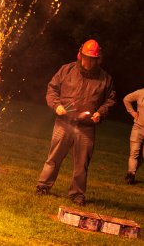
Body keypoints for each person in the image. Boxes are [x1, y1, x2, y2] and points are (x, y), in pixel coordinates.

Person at [36, 39, 116, 206]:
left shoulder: (105, 79)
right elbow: (52, 89)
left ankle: (77, 194)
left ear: (98, 59)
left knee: (81, 165)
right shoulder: (67, 70)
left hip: (86, 128)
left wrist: (100, 113)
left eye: (93, 58)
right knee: (54, 157)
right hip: (63, 123)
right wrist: (56, 105)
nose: (88, 61)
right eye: (86, 57)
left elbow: (110, 100)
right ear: (80, 55)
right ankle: (43, 186)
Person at [123, 89, 144, 184]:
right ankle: (130, 175)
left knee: (143, 155)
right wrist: (133, 112)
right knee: (134, 152)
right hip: (138, 127)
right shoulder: (141, 92)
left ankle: (132, 172)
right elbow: (126, 99)